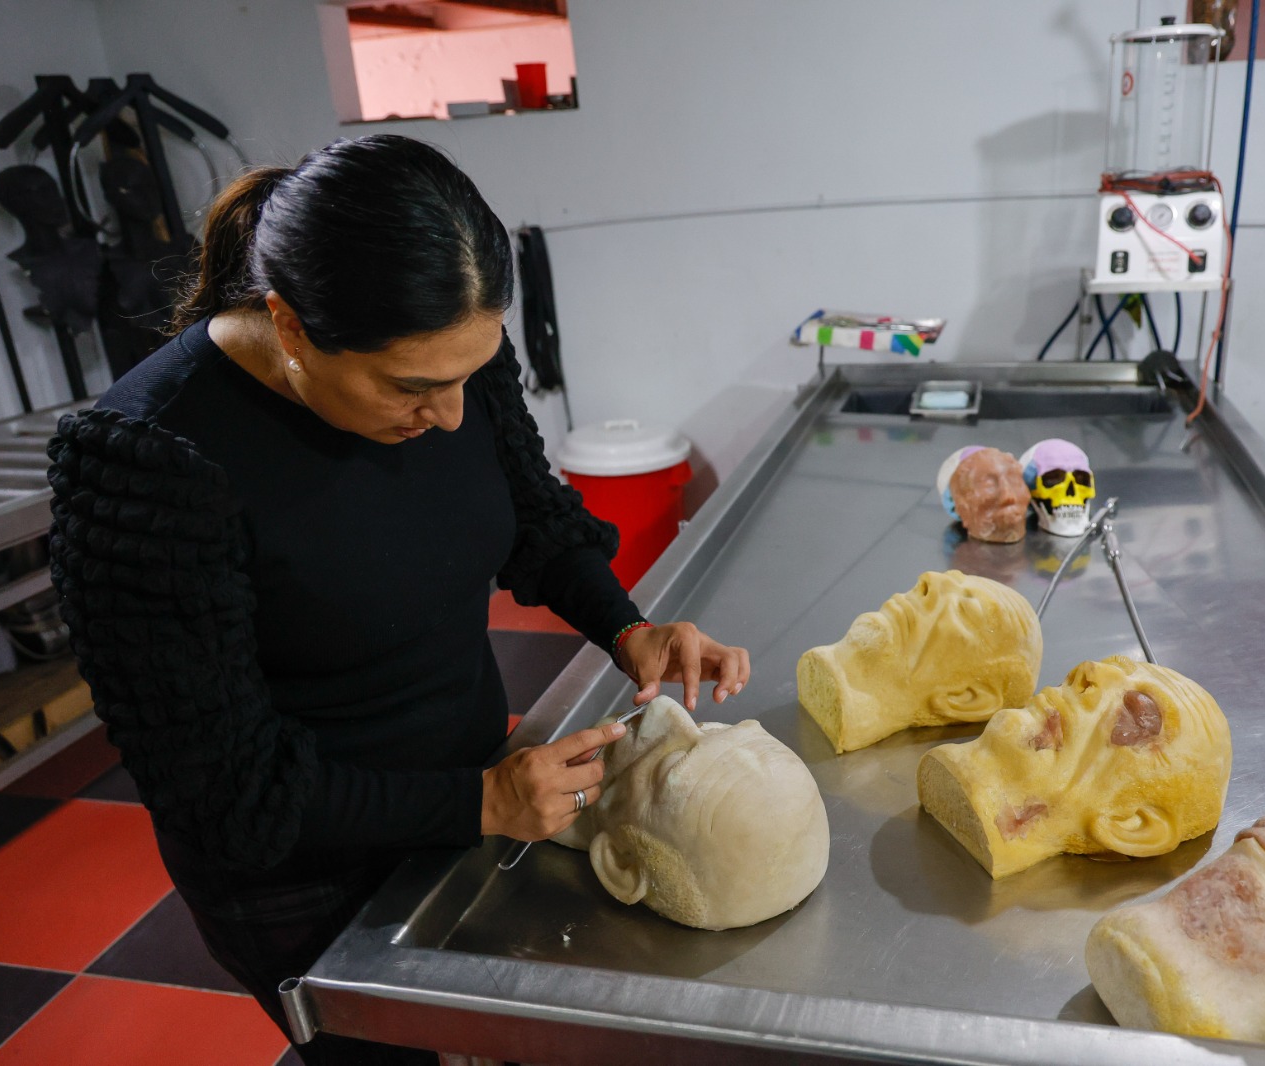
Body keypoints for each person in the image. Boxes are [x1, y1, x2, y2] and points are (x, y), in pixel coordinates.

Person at [46, 134, 750, 1065]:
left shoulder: (451, 350)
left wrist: (627, 627)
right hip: (306, 875)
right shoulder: (147, 463)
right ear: (290, 326)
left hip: (474, 788)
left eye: (467, 375)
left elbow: (535, 520)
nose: (450, 414)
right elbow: (227, 794)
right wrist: (481, 803)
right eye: (412, 388)